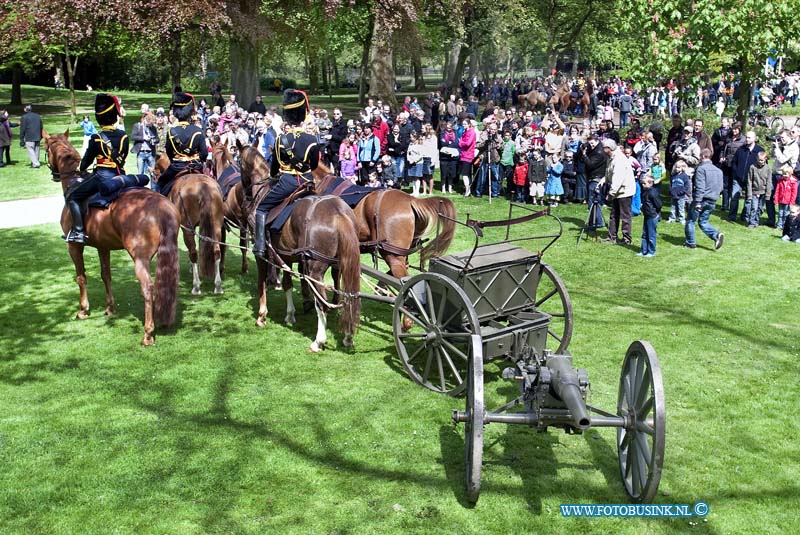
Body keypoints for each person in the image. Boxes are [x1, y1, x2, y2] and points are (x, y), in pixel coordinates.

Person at [252, 89, 320, 258]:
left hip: (287, 182)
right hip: (308, 182)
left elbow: (274, 168)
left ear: (288, 117)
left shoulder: (280, 140)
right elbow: (314, 165)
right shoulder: (312, 140)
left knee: (261, 208)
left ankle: (260, 246)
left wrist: (274, 175)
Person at [64, 94, 130, 243]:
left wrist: (80, 167)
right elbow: (123, 156)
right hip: (120, 174)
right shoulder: (123, 136)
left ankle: (79, 232)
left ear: (99, 118)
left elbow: (86, 162)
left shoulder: (96, 138)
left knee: (73, 196)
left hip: (102, 175)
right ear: (114, 116)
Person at [156, 92, 207, 196]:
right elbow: (204, 153)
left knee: (160, 184)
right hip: (196, 166)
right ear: (190, 112)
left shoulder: (172, 131)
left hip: (177, 167)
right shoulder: (198, 130)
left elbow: (169, 153)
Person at [685, 149, 724, 250]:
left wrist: (697, 201)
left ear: (702, 157)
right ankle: (716, 235)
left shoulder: (701, 169)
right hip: (712, 200)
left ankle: (690, 242)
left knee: (690, 220)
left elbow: (700, 186)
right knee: (703, 221)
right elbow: (721, 187)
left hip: (702, 199)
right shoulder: (719, 170)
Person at [600, 139, 635, 245]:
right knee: (614, 214)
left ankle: (626, 239)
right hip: (617, 191)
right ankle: (612, 237)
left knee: (625, 216)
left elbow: (618, 179)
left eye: (603, 148)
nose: (602, 150)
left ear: (608, 149)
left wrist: (611, 194)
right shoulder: (610, 158)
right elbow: (609, 172)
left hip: (624, 191)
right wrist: (603, 180)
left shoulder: (619, 159)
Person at [766, 130, 799, 227]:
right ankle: (771, 219)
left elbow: (782, 159)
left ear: (789, 137)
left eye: (783, 137)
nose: (781, 139)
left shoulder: (793, 147)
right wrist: (774, 147)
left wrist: (777, 147)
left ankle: (786, 223)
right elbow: (773, 156)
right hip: (776, 174)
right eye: (780, 137)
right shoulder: (783, 145)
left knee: (785, 201)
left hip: (784, 176)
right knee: (769, 196)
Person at [745, 150, 771, 228]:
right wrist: (749, 194)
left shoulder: (768, 168)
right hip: (754, 191)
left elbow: (769, 182)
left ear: (765, 159)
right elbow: (749, 181)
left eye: (762, 160)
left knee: (760, 208)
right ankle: (752, 222)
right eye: (759, 160)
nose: (760, 161)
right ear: (756, 158)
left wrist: (768, 195)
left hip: (763, 192)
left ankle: (757, 220)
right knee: (754, 207)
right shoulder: (752, 167)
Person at [638, 174, 662, 257]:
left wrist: (655, 213)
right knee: (644, 234)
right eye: (642, 183)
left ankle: (651, 251)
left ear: (651, 183)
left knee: (651, 234)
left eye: (644, 183)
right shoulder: (644, 191)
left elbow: (658, 204)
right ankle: (643, 250)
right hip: (646, 214)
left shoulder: (653, 193)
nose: (642, 185)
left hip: (652, 215)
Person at [131, 112, 158, 181]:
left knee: (153, 173)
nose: (149, 125)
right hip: (141, 152)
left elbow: (157, 139)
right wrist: (144, 137)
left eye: (151, 124)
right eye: (149, 123)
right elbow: (133, 137)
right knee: (140, 173)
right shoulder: (137, 126)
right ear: (145, 120)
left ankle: (153, 189)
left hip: (150, 153)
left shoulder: (153, 128)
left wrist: (153, 140)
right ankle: (140, 189)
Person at [774, 165, 799, 230]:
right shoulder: (780, 181)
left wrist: (792, 202)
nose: (784, 175)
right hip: (781, 200)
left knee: (786, 214)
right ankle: (779, 225)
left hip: (788, 202)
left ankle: (785, 226)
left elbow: (794, 193)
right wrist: (776, 199)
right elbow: (777, 190)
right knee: (780, 213)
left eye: (786, 174)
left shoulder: (793, 182)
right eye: (783, 174)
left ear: (790, 174)